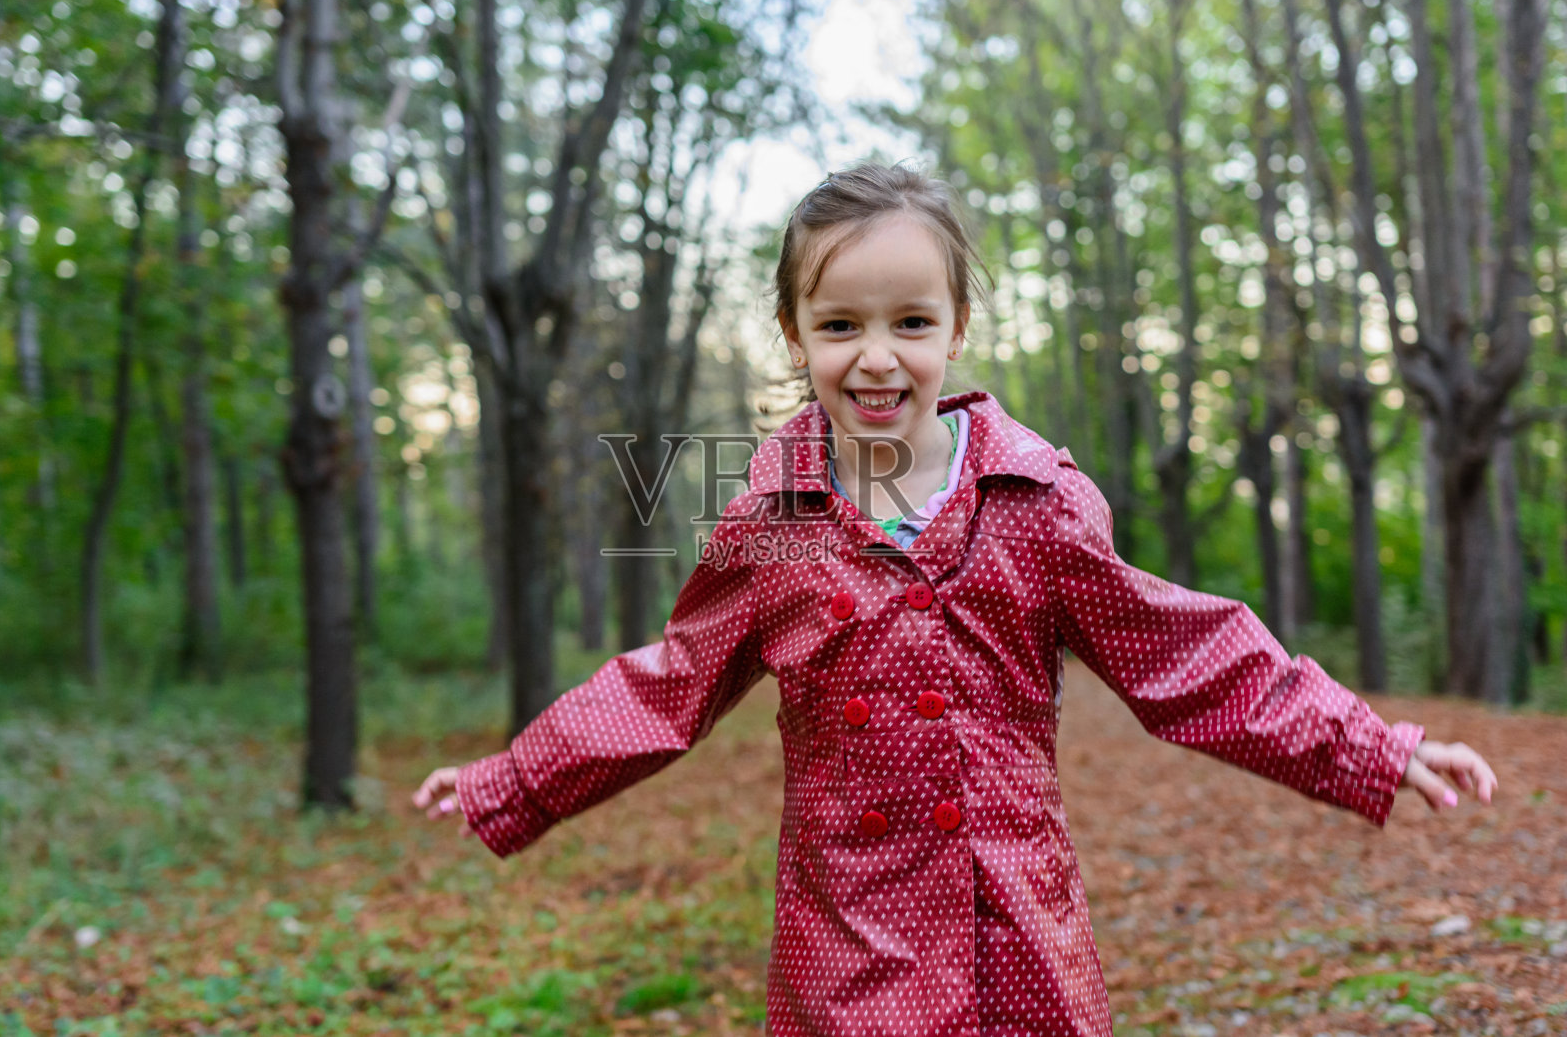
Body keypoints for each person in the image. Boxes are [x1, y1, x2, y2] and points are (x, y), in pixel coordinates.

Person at [413, 162, 1497, 1036]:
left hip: (1016, 941)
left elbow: (1186, 653)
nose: (875, 357)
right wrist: (516, 779)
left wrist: (1363, 741)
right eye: (838, 325)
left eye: (909, 322)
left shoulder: (1039, 505)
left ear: (956, 326)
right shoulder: (769, 525)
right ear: (793, 334)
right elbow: (667, 685)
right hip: (849, 954)